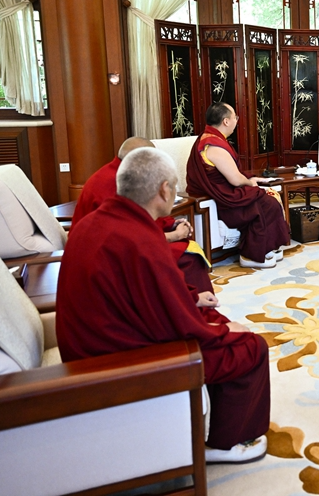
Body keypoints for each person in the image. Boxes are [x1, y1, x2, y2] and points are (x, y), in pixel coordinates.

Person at [57, 148, 271, 463]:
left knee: (208, 311)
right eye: (175, 187)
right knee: (249, 348)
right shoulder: (140, 241)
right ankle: (225, 444)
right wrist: (224, 333)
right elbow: (178, 325)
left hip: (90, 348)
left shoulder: (93, 223)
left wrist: (192, 298)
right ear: (164, 190)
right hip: (115, 365)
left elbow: (145, 296)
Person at [73, 136, 219, 312]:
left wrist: (171, 224)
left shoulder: (122, 175)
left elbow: (140, 219)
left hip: (111, 253)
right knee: (187, 258)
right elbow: (129, 239)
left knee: (184, 250)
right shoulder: (115, 185)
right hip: (108, 264)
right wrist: (174, 235)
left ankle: (191, 305)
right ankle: (197, 312)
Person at [186, 103, 291, 268]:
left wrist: (252, 179)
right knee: (266, 204)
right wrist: (251, 183)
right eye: (235, 116)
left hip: (223, 192)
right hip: (222, 200)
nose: (237, 120)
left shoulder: (211, 138)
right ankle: (250, 255)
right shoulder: (213, 145)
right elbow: (235, 179)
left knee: (266, 199)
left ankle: (267, 247)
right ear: (226, 121)